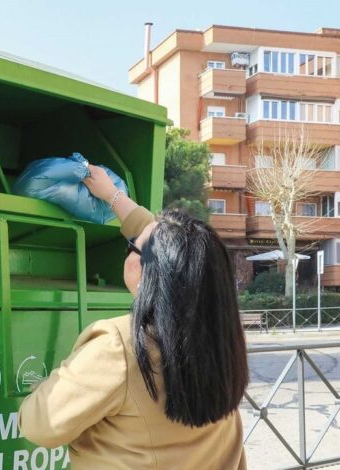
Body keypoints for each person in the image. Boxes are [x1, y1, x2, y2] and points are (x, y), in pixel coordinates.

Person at [18, 165, 248, 469]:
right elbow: (178, 248)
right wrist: (113, 197)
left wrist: (51, 382)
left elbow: (39, 425)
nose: (129, 249)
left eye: (132, 247)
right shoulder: (222, 342)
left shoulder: (120, 346)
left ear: (148, 272)